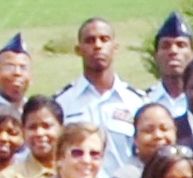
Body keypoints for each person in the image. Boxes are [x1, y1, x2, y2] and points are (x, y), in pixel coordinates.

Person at [55, 16, 149, 166]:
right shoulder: (62, 103)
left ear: (115, 48)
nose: (97, 45)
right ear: (78, 50)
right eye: (90, 40)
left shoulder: (136, 102)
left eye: (104, 39)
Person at [150, 12, 193, 116]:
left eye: (181, 45)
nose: (173, 51)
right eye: (165, 45)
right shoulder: (143, 101)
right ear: (155, 55)